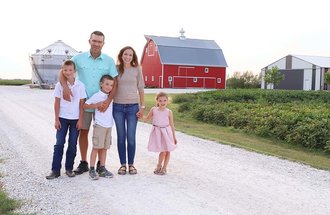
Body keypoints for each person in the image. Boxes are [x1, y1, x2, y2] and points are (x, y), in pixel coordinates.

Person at [59, 31, 118, 175]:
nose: (97, 44)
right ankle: (84, 162)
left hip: (103, 106)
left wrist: (108, 101)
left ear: (103, 43)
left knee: (102, 133)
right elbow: (63, 71)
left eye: (99, 41)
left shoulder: (109, 60)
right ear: (89, 41)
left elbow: (115, 82)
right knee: (83, 132)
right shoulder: (78, 58)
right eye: (94, 41)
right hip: (84, 103)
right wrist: (65, 87)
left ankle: (100, 165)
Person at [46, 60, 86, 179]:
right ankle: (55, 170)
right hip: (62, 118)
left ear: (74, 71)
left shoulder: (80, 86)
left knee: (72, 144)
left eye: (70, 70)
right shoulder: (59, 85)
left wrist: (80, 120)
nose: (68, 72)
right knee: (59, 144)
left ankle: (69, 168)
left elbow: (81, 104)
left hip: (75, 119)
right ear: (62, 71)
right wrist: (56, 119)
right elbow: (57, 103)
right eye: (65, 70)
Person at [113, 46, 145, 175]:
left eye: (130, 55)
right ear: (121, 55)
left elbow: (141, 89)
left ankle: (131, 164)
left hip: (133, 107)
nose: (127, 57)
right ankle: (122, 165)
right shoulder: (115, 69)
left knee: (131, 137)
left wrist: (142, 107)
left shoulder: (137, 69)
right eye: (125, 54)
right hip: (118, 107)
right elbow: (112, 87)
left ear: (133, 57)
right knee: (121, 137)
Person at [83, 75, 115, 180]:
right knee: (96, 147)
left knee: (105, 148)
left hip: (108, 125)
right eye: (107, 84)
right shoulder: (97, 95)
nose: (109, 87)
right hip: (99, 125)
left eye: (111, 85)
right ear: (101, 84)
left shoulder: (111, 97)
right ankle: (91, 169)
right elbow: (85, 105)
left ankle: (102, 168)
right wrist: (97, 104)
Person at [143, 92, 177, 175]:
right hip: (158, 132)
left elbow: (172, 125)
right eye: (160, 100)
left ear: (167, 101)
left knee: (168, 150)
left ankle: (164, 168)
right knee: (162, 151)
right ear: (157, 101)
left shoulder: (169, 112)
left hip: (167, 132)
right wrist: (139, 115)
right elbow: (146, 118)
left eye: (165, 100)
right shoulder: (154, 109)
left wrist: (174, 136)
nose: (162, 102)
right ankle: (158, 165)